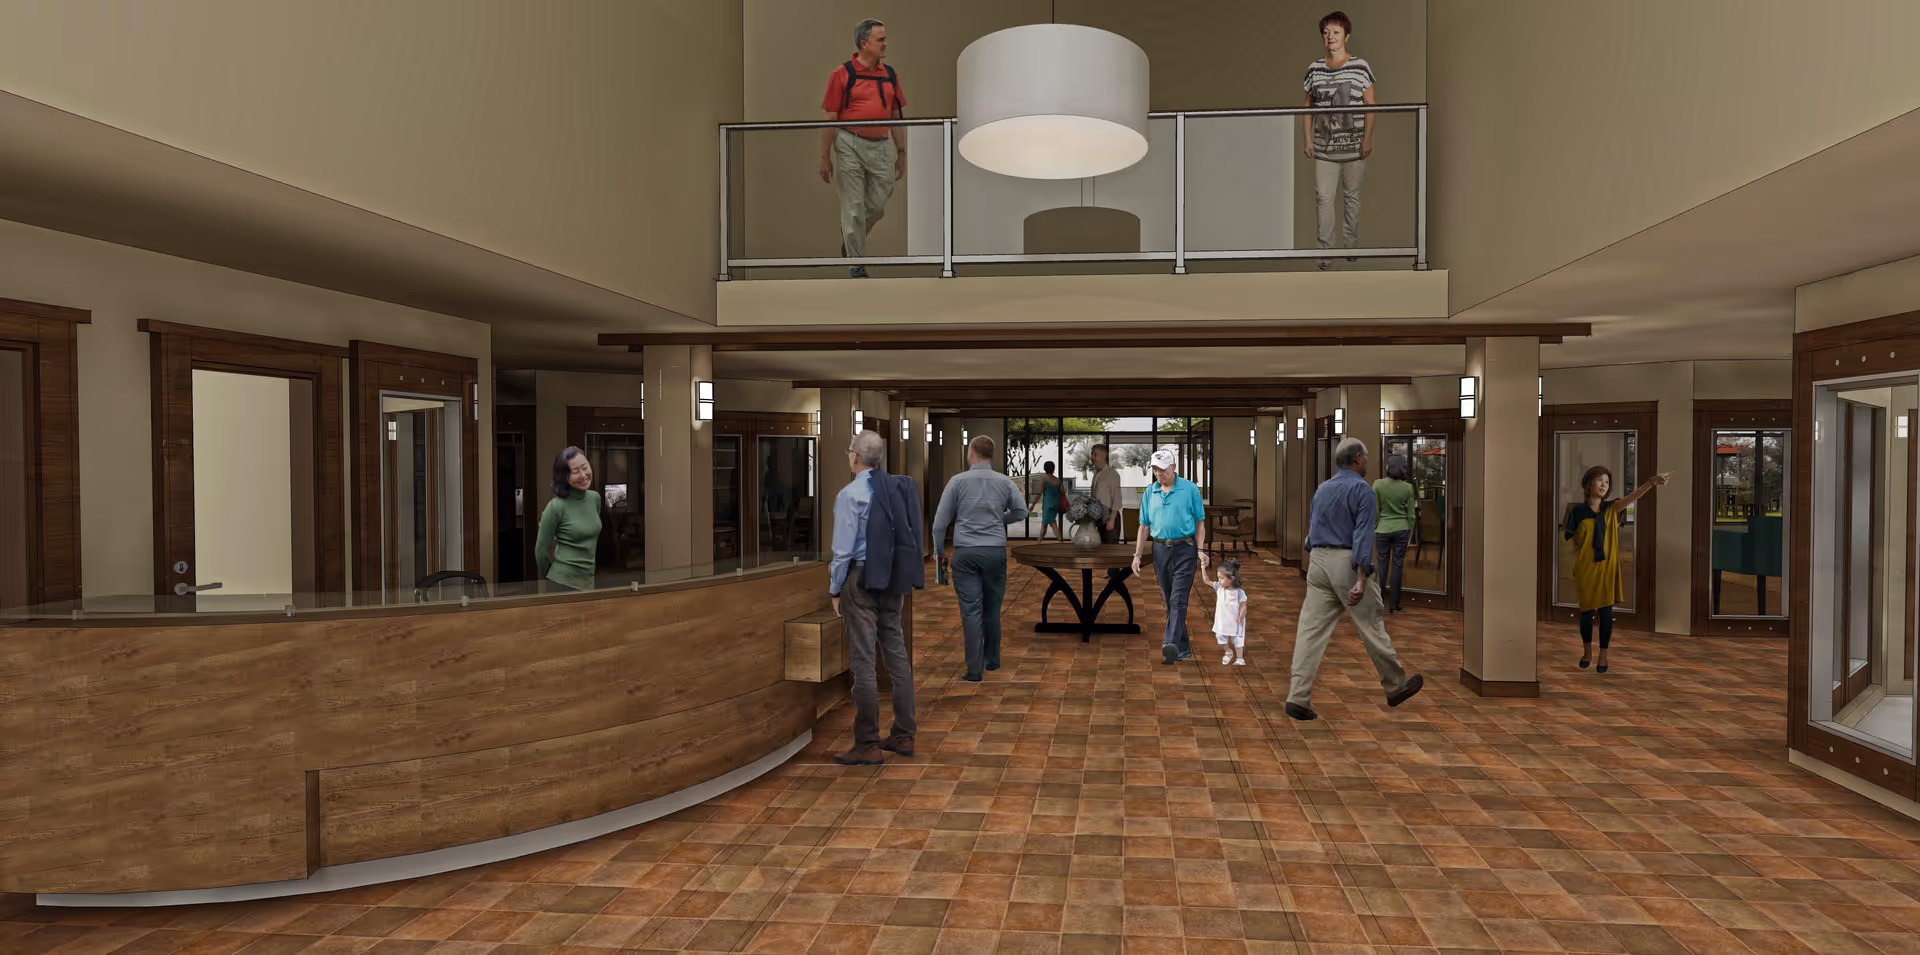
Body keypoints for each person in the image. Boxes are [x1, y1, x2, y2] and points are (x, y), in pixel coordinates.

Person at [1287, 438, 1422, 721]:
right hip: (1346, 563)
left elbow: (1312, 530)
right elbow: (1363, 534)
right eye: (1368, 456)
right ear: (1358, 458)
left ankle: (1297, 697)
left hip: (1318, 561)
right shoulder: (1362, 489)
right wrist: (1361, 579)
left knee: (1309, 632)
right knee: (1371, 625)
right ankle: (1396, 686)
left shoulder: (1322, 489)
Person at [827, 430, 922, 765]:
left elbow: (842, 551)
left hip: (862, 579)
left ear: (855, 456)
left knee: (864, 661)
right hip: (893, 578)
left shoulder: (850, 494)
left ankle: (867, 743)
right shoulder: (898, 488)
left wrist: (835, 589)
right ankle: (904, 735)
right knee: (897, 658)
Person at [930, 435, 1028, 681]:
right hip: (995, 552)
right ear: (991, 455)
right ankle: (992, 660)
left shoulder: (957, 482)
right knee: (992, 609)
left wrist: (938, 551)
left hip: (965, 553)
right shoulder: (1004, 482)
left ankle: (974, 670)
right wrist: (998, 520)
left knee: (971, 611)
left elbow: (939, 524)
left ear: (971, 453)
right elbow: (1022, 511)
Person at [820, 18, 907, 278]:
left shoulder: (890, 74)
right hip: (849, 143)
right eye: (880, 39)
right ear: (863, 43)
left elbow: (896, 116)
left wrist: (901, 152)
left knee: (877, 205)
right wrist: (824, 156)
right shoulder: (842, 74)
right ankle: (856, 264)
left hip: (881, 145)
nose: (885, 44)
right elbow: (830, 118)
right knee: (853, 209)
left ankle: (850, 239)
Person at [1565, 466, 1670, 673]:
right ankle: (1587, 652)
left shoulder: (1612, 508)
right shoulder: (1576, 511)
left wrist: (1651, 482)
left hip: (1608, 570)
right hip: (1586, 569)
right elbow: (1570, 540)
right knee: (1585, 615)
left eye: (1606, 481)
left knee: (1606, 613)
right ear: (1588, 484)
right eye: (1599, 480)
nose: (1604, 484)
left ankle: (1603, 655)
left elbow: (1634, 496)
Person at [1301, 10, 1375, 271]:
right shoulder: (1314, 69)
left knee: (1351, 196)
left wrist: (1367, 140)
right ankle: (1325, 251)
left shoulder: (1360, 67)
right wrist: (1307, 139)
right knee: (1324, 197)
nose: (1330, 36)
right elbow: (1307, 107)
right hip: (1324, 147)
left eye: (1335, 32)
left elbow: (1371, 107)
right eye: (1326, 32)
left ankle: (1352, 245)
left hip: (1354, 147)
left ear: (1346, 35)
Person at [1132, 448, 1209, 666]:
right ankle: (1182, 648)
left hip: (1185, 548)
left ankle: (1169, 644)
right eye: (1155, 469)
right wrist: (1137, 555)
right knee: (1168, 600)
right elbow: (1144, 526)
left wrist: (1201, 551)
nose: (1159, 474)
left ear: (1173, 468)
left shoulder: (1190, 489)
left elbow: (1199, 522)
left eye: (1163, 469)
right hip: (1159, 551)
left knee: (1178, 599)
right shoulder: (1150, 492)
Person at [535, 447, 601, 592]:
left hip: (588, 581)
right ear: (564, 476)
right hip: (562, 583)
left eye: (585, 467)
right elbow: (541, 551)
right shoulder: (555, 507)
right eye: (576, 471)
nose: (583, 475)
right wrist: (553, 578)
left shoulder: (595, 499)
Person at [1372, 453, 1415, 613]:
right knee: (1397, 565)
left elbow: (1375, 510)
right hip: (1401, 528)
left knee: (1382, 566)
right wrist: (1410, 535)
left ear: (1388, 467)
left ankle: (1379, 602)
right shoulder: (1408, 487)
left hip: (1383, 528)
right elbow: (1411, 516)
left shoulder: (1377, 484)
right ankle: (1395, 604)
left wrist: (1377, 525)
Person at [1209, 558, 1250, 666]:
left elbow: (1244, 605)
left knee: (1238, 639)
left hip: (1236, 621)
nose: (1219, 581)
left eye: (1221, 578)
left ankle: (1240, 658)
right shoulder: (1219, 588)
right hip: (1223, 620)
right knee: (1220, 637)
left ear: (1231, 578)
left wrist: (1241, 616)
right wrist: (1203, 567)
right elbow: (1206, 581)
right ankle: (1228, 651)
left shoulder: (1239, 592)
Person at [1089, 443, 1123, 543]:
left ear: (1104, 456)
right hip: (1097, 516)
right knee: (1100, 547)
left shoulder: (1112, 474)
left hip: (1109, 515)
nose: (1092, 457)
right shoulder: (1096, 473)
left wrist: (1111, 519)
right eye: (1092, 454)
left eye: (1095, 454)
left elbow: (1117, 499)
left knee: (1111, 549)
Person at [1029, 461, 1064, 541]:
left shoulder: (1044, 479)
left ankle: (1060, 541)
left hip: (1047, 505)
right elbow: (1062, 492)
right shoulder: (1058, 480)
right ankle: (1039, 542)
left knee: (1052, 524)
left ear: (1045, 468)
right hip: (1055, 504)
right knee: (1045, 525)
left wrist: (1033, 505)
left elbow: (1039, 493)